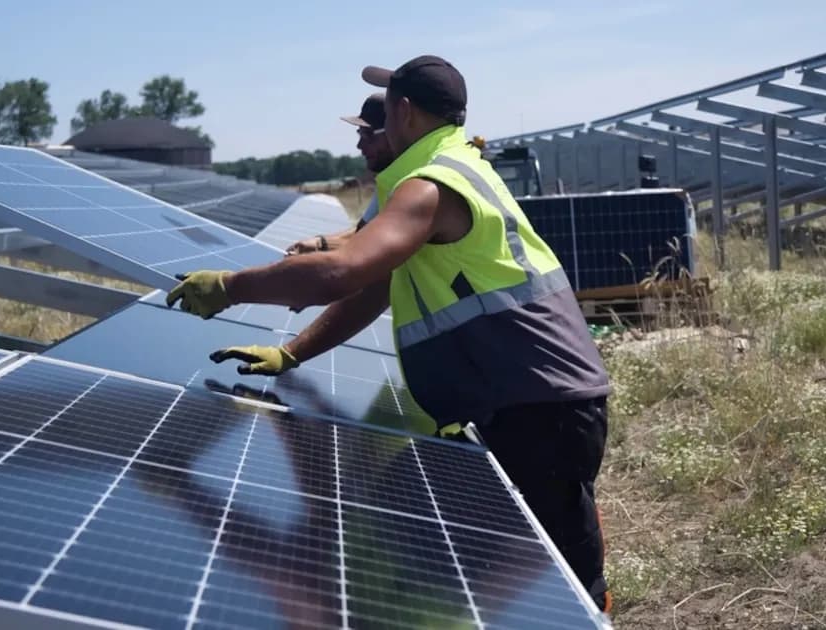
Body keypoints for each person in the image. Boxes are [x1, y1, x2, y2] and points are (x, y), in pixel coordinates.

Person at [165, 54, 615, 613]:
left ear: (402, 112)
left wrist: (229, 286)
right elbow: (376, 286)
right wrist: (292, 352)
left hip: (543, 408)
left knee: (557, 580)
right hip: (522, 402)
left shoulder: (431, 186)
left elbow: (344, 269)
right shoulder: (445, 168)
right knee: (410, 526)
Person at [284, 92, 395, 256]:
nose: (359, 145)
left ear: (396, 131)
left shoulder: (411, 185)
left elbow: (370, 244)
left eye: (368, 134)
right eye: (360, 134)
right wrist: (319, 243)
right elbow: (363, 231)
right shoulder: (388, 181)